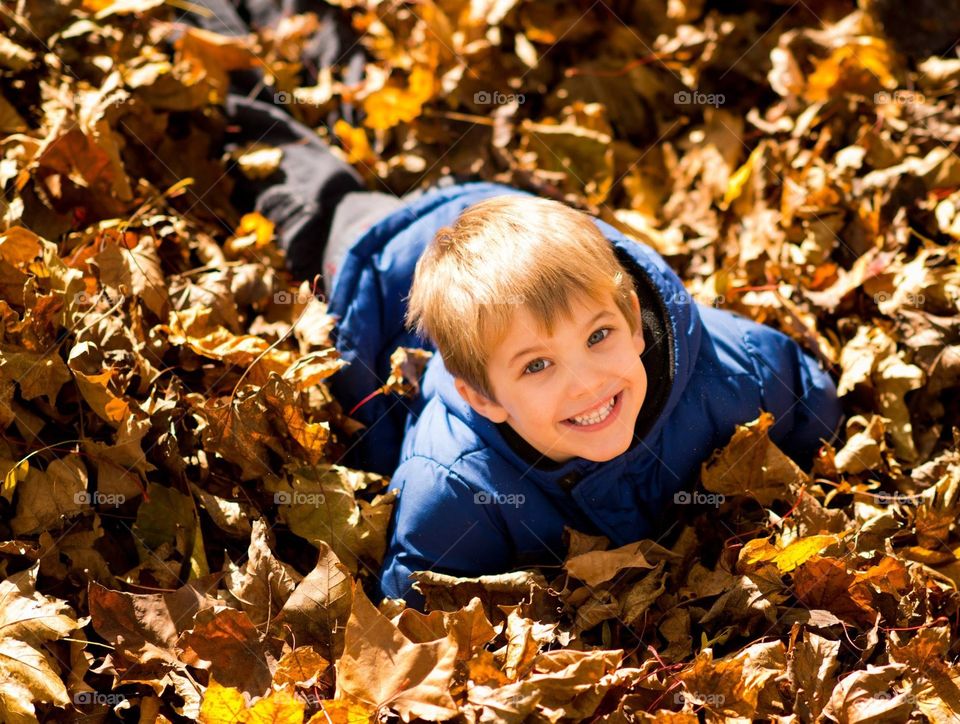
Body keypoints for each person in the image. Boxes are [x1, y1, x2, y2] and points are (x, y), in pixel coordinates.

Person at [182, 1, 843, 613]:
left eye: (598, 336)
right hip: (373, 265)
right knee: (304, 170)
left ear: (636, 321)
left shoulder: (725, 373)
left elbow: (811, 398)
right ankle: (225, 31)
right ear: (481, 397)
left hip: (503, 236)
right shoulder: (459, 482)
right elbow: (415, 603)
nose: (587, 382)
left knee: (354, 116)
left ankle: (321, 35)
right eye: (535, 367)